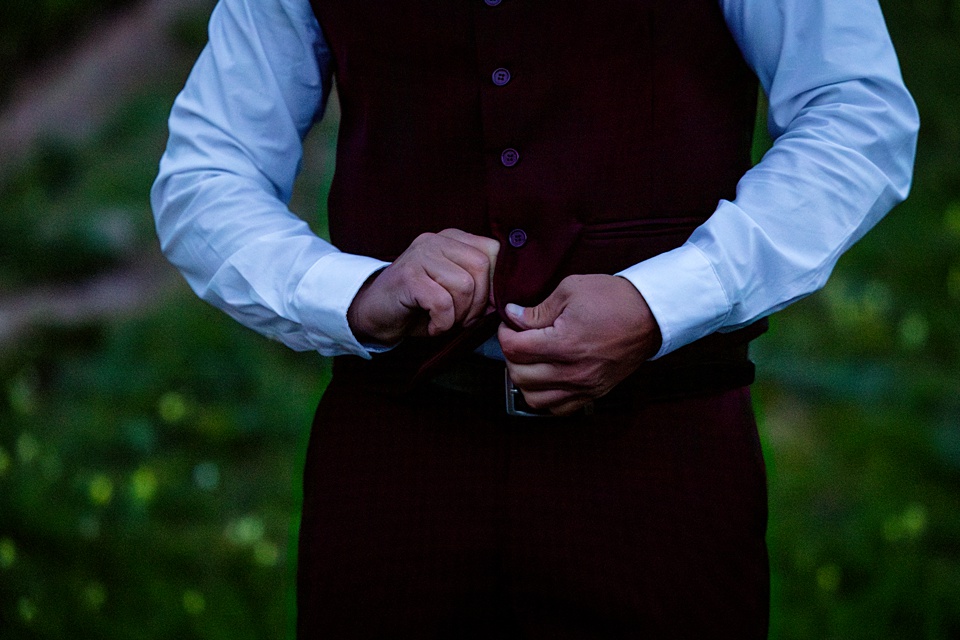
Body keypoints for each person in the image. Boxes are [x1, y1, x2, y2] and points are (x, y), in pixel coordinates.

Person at [152, 0, 918, 636]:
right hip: (394, 460)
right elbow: (208, 170)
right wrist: (353, 290)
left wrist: (662, 301)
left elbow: (854, 112)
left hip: (659, 460)